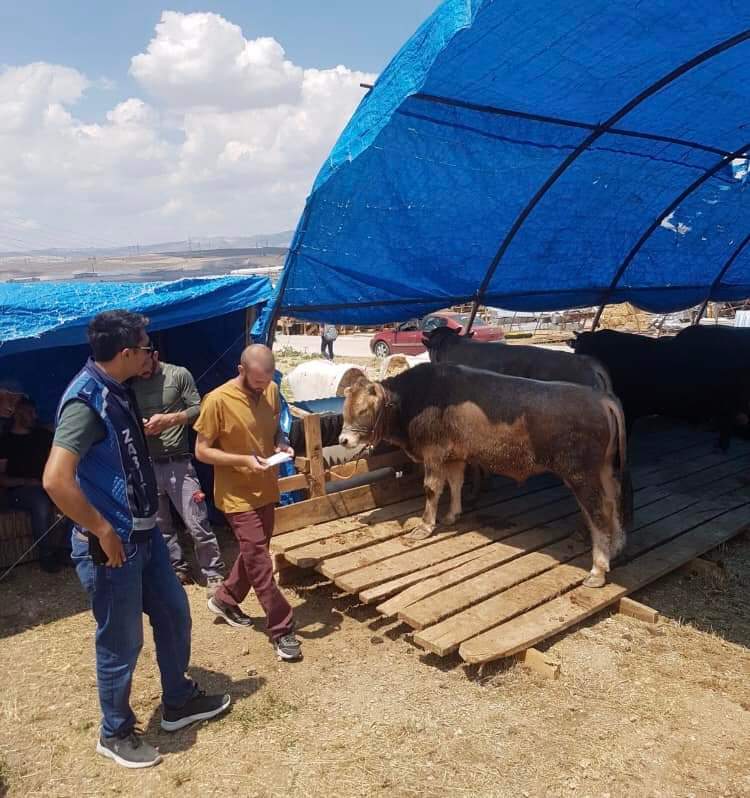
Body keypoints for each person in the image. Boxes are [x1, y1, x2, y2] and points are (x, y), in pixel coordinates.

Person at [43, 310, 230, 770]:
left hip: (144, 539)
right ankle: (115, 731)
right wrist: (102, 529)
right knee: (121, 642)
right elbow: (55, 479)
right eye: (146, 347)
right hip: (112, 549)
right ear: (126, 353)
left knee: (174, 613)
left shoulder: (117, 390)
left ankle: (178, 701)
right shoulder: (85, 402)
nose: (151, 354)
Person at [194, 344, 301, 661]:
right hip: (236, 494)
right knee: (259, 558)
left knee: (252, 552)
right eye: (256, 383)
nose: (263, 388)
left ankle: (225, 598)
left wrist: (281, 443)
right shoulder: (217, 400)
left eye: (267, 382)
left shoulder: (271, 390)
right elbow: (201, 450)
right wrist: (242, 459)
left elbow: (273, 431)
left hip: (265, 487)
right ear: (241, 371)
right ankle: (282, 628)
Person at [132, 350, 225, 596]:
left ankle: (213, 573)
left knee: (196, 522)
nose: (141, 371)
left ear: (154, 355)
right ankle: (177, 568)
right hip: (147, 464)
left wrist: (170, 419)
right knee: (161, 525)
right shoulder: (131, 381)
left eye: (144, 365)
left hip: (179, 464)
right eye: (137, 367)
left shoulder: (178, 374)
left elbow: (199, 408)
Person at [0, 397, 64, 572]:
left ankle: (66, 548)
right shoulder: (5, 442)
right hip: (19, 492)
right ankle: (46, 555)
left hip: (49, 484)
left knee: (76, 494)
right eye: (30, 412)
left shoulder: (43, 436)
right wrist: (28, 481)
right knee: (40, 501)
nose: (35, 416)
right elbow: (2, 478)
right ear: (18, 414)